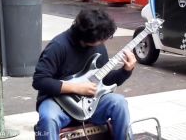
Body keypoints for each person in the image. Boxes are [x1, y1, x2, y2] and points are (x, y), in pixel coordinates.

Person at [32, 9, 136, 140]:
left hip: (90, 104)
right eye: (103, 38)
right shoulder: (58, 46)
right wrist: (76, 88)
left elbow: (105, 80)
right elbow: (40, 81)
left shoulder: (99, 47)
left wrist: (126, 71)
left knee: (119, 103)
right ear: (89, 38)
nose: (105, 41)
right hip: (57, 102)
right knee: (48, 118)